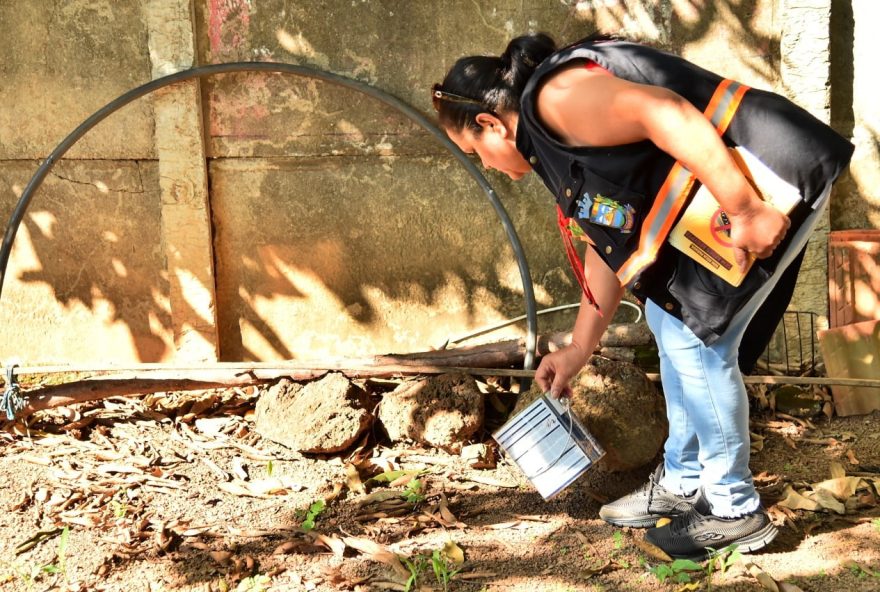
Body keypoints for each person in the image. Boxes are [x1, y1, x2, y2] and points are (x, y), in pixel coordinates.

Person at [432, 32, 853, 558]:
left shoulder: (553, 99)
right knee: (666, 317)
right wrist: (578, 350)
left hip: (772, 177)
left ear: (490, 123)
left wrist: (745, 209)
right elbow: (606, 246)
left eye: (477, 153)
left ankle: (733, 508)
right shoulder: (548, 140)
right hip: (727, 201)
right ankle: (683, 482)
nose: (489, 166)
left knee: (696, 343)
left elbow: (667, 114)